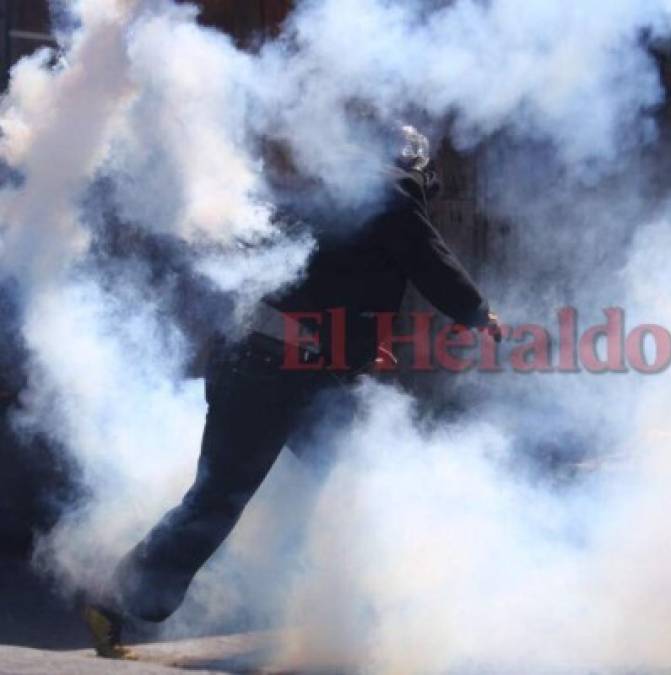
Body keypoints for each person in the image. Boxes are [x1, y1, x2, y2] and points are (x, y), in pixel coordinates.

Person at [83, 127, 501, 659]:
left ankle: (354, 613)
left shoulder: (338, 192)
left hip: (284, 371)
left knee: (348, 478)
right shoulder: (390, 194)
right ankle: (112, 601)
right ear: (419, 169)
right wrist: (476, 312)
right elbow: (428, 258)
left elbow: (330, 283)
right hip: (274, 374)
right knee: (220, 500)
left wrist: (352, 348)